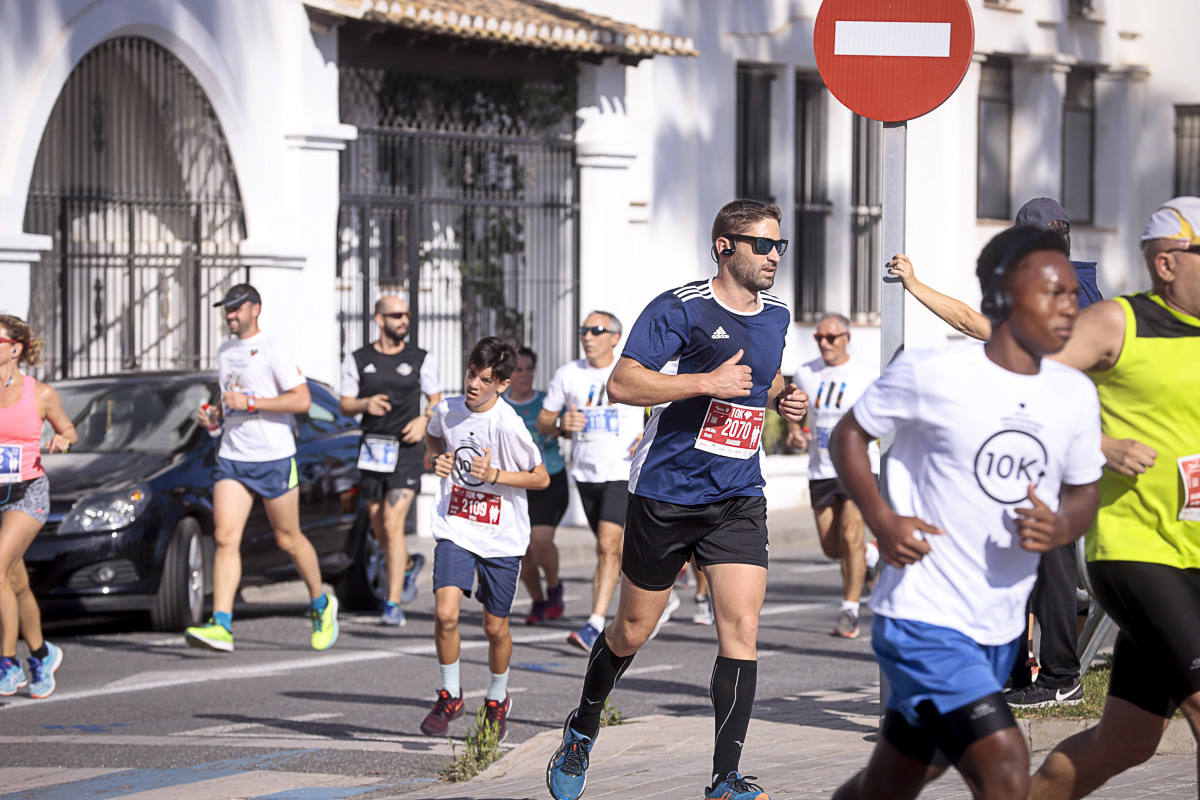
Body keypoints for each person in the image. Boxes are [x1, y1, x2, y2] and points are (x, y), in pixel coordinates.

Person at [827, 225, 1104, 800]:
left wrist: (1062, 525)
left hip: (997, 626)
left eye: (1072, 292)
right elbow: (849, 436)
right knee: (1004, 765)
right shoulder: (935, 372)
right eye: (1051, 291)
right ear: (1002, 297)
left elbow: (1084, 492)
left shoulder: (1073, 392)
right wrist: (881, 518)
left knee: (897, 777)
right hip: (923, 615)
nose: (1069, 304)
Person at [546, 199, 809, 800]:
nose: (773, 257)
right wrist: (703, 382)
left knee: (741, 625)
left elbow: (760, 381)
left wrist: (783, 399)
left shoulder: (777, 315)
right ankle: (583, 726)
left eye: (779, 246)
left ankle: (724, 779)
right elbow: (623, 382)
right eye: (762, 246)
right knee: (633, 630)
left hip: (738, 491)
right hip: (667, 492)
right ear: (725, 247)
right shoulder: (680, 308)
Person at [888, 197, 1103, 708]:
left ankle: (1059, 677)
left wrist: (915, 285)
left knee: (1046, 564)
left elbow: (968, 322)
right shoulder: (1084, 288)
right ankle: (1019, 674)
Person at [1028, 196, 1200, 799]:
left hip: (1197, 552)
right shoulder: (1117, 323)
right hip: (1137, 549)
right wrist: (1100, 444)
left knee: (1125, 740)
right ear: (1166, 263)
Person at [185, 284, 338, 652]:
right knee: (225, 537)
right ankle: (221, 623)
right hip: (233, 456)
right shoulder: (225, 350)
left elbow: (301, 400)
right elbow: (230, 397)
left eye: (237, 309)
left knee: (288, 538)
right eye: (227, 309)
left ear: (256, 309)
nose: (230, 315)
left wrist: (252, 402)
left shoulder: (274, 348)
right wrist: (215, 416)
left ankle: (321, 603)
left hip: (274, 457)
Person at [419, 337, 549, 743]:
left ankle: (496, 698)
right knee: (445, 614)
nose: (474, 384)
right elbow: (433, 436)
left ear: (503, 385)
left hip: (501, 537)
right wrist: (434, 459)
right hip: (456, 526)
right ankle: (451, 694)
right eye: (472, 373)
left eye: (486, 379)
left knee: (495, 628)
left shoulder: (508, 426)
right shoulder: (448, 409)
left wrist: (495, 476)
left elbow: (541, 478)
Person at [538, 311, 646, 652]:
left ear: (615, 337)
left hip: (622, 470)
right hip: (585, 473)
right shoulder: (568, 374)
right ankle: (650, 595)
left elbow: (666, 404)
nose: (587, 336)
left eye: (596, 330)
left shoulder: (632, 371)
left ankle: (595, 621)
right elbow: (544, 420)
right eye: (584, 329)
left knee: (607, 545)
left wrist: (648, 433)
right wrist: (560, 424)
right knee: (610, 548)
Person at [339, 295, 439, 626]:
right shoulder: (359, 359)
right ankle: (408, 564)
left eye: (406, 315)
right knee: (380, 526)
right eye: (396, 315)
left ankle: (392, 603)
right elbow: (345, 404)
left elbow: (436, 399)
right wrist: (365, 404)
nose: (403, 320)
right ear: (379, 320)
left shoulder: (420, 358)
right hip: (372, 449)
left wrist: (424, 420)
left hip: (407, 450)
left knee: (394, 524)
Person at [789, 312, 880, 639]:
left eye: (831, 337)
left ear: (846, 337)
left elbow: (880, 419)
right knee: (832, 546)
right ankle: (870, 555)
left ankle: (850, 610)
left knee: (851, 534)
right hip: (821, 468)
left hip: (858, 467)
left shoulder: (866, 375)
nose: (824, 343)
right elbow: (794, 412)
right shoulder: (805, 373)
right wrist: (795, 432)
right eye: (819, 338)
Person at [0, 314, 75, 698]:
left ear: (14, 349)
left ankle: (6, 663)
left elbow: (68, 429)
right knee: (14, 581)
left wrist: (62, 441)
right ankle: (42, 653)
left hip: (27, 493)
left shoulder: (40, 394)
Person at [506, 346, 569, 625]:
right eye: (518, 370)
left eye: (529, 369)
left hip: (549, 479)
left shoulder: (547, 402)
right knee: (520, 552)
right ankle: (538, 600)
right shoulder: (499, 406)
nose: (525, 375)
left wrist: (563, 424)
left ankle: (554, 587)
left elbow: (567, 426)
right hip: (513, 484)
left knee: (540, 540)